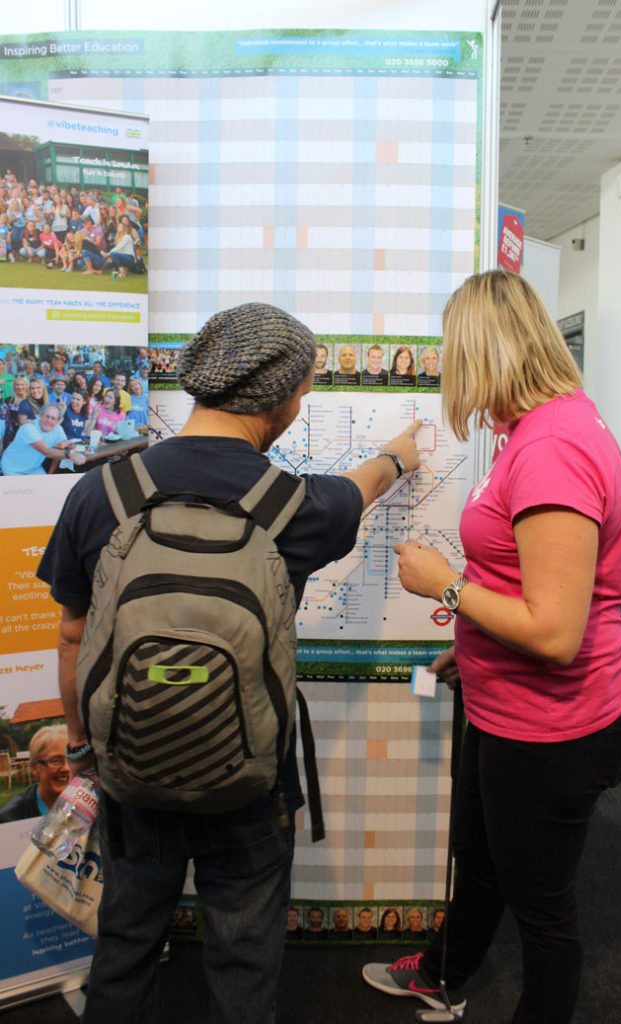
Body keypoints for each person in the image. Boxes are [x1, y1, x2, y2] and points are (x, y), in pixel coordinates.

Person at [37, 302, 421, 1024]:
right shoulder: (300, 507)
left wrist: (87, 754)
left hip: (130, 775)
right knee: (243, 961)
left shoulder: (100, 493)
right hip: (250, 777)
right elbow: (364, 486)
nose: (302, 407)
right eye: (303, 392)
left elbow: (70, 636)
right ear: (275, 400)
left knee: (123, 950)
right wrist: (401, 454)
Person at [362, 270, 621, 1023]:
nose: (453, 377)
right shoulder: (544, 428)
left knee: (543, 914)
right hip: (504, 706)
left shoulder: (553, 446)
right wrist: (475, 639)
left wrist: (448, 587)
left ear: (485, 353)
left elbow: (555, 632)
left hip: (550, 728)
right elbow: (527, 582)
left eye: (456, 356)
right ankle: (444, 974)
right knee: (481, 863)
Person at [0, 724, 70, 823]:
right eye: (56, 760)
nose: (66, 768)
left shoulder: (92, 807)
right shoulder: (9, 819)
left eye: (72, 759)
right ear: (34, 767)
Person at [1, 403, 85, 476]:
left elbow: (62, 448)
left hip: (33, 469)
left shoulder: (58, 429)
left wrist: (74, 451)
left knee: (46, 490)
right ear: (40, 415)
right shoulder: (29, 427)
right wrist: (70, 455)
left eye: (53, 418)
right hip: (12, 468)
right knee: (22, 493)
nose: (49, 420)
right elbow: (46, 451)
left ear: (58, 421)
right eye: (47, 416)